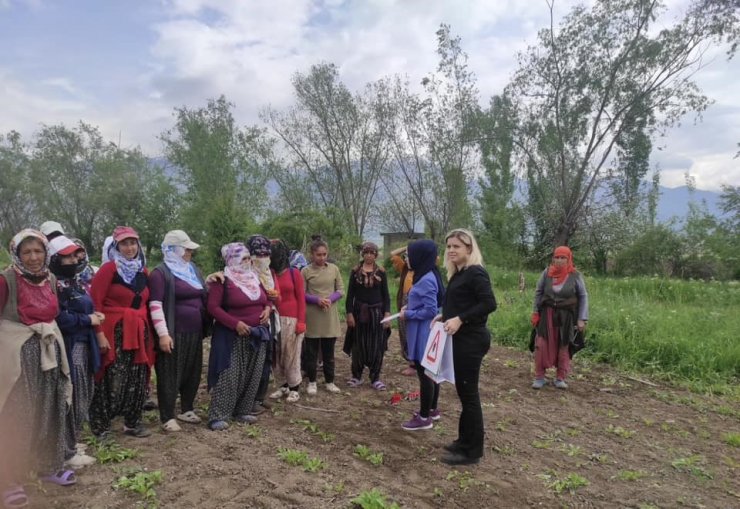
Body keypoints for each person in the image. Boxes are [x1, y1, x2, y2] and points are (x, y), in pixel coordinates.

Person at [0, 230, 75, 508]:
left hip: (49, 353)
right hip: (17, 358)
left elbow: (53, 316)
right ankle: (9, 479)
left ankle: (47, 465)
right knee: (18, 413)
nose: (33, 258)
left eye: (38, 251)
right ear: (17, 255)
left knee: (50, 408)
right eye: (26, 252)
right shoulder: (6, 280)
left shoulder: (50, 279)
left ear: (46, 252)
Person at [437, 228, 496, 466]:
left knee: (469, 395)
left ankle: (472, 452)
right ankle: (463, 440)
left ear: (469, 249)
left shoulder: (475, 273)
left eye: (456, 247)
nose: (451, 250)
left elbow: (489, 303)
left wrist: (460, 319)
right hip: (460, 340)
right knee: (464, 393)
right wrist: (444, 316)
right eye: (449, 246)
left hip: (471, 340)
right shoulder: (458, 274)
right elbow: (460, 304)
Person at [89, 226, 154, 438]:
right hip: (114, 330)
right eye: (124, 243)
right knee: (110, 377)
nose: (129, 247)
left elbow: (147, 302)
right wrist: (99, 333)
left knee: (137, 375)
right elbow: (94, 303)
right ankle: (101, 426)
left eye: (133, 243)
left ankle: (132, 422)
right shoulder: (109, 270)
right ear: (116, 246)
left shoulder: (142, 271)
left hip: (138, 330)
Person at [48, 235, 102, 467]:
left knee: (85, 392)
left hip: (84, 342)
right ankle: (67, 451)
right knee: (74, 396)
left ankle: (72, 440)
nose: (73, 259)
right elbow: (59, 318)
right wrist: (88, 319)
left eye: (74, 255)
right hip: (70, 346)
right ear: (55, 259)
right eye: (66, 256)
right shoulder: (54, 284)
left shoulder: (73, 281)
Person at [206, 243, 271, 431]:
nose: (248, 261)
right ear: (232, 259)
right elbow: (213, 308)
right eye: (243, 258)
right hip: (231, 335)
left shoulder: (254, 278)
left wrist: (267, 309)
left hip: (256, 334)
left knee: (252, 372)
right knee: (229, 374)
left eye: (248, 258)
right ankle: (219, 415)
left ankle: (242, 410)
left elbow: (265, 298)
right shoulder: (222, 281)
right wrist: (235, 324)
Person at [148, 230, 207, 432]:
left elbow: (202, 292)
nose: (190, 252)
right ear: (175, 249)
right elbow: (155, 304)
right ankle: (167, 415)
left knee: (192, 370)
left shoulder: (192, 270)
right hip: (174, 331)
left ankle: (187, 408)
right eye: (187, 249)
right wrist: (163, 334)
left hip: (194, 331)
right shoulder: (160, 273)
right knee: (169, 373)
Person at [399, 239, 446, 430]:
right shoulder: (426, 274)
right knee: (430, 373)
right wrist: (408, 306)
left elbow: (430, 310)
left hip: (424, 333)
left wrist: (408, 313)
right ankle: (432, 410)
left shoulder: (426, 279)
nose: (407, 258)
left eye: (409, 255)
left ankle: (424, 417)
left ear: (419, 257)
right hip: (424, 331)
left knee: (425, 373)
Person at [530, 246, 588, 390]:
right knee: (541, 344)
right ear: (553, 258)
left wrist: (582, 318)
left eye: (563, 258)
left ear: (569, 259)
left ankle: (560, 378)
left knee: (563, 345)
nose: (560, 260)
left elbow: (583, 296)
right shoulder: (546, 273)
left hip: (566, 317)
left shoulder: (575, 275)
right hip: (547, 315)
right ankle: (539, 377)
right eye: (557, 257)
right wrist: (535, 312)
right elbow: (539, 292)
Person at [344, 242, 392, 390]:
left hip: (377, 313)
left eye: (372, 253)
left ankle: (375, 377)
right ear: (362, 254)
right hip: (359, 313)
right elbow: (350, 295)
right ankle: (356, 376)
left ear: (376, 255)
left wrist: (387, 314)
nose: (369, 255)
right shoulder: (355, 271)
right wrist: (350, 313)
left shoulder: (381, 272)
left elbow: (386, 296)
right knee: (358, 344)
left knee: (376, 345)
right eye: (367, 252)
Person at [302, 238, 344, 395]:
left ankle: (330, 381)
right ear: (312, 254)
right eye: (318, 254)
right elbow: (301, 293)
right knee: (311, 352)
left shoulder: (334, 269)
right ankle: (312, 382)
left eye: (324, 254)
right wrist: (317, 300)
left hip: (329, 316)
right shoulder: (305, 271)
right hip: (312, 316)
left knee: (329, 353)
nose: (322, 257)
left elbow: (340, 289)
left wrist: (329, 300)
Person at [268, 239, 306, 403]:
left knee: (291, 353)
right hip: (274, 318)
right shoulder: (269, 274)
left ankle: (294, 387)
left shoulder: (294, 273)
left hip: (292, 318)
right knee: (277, 353)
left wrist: (301, 322)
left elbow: (301, 299)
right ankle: (282, 385)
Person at [246, 234, 280, 414]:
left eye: (265, 255)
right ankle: (249, 399)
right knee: (254, 360)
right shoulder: (245, 272)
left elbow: (277, 296)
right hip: (255, 321)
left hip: (270, 317)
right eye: (258, 255)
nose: (262, 258)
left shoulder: (269, 272)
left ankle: (260, 396)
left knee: (267, 358)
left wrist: (273, 299)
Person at [390, 246, 416, 377]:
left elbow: (435, 257)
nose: (406, 259)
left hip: (417, 305)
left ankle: (415, 363)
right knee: (405, 333)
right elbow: (393, 254)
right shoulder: (405, 268)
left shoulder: (424, 271)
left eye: (409, 256)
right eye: (406, 256)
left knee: (415, 333)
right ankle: (411, 361)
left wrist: (416, 248)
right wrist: (407, 247)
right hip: (404, 303)